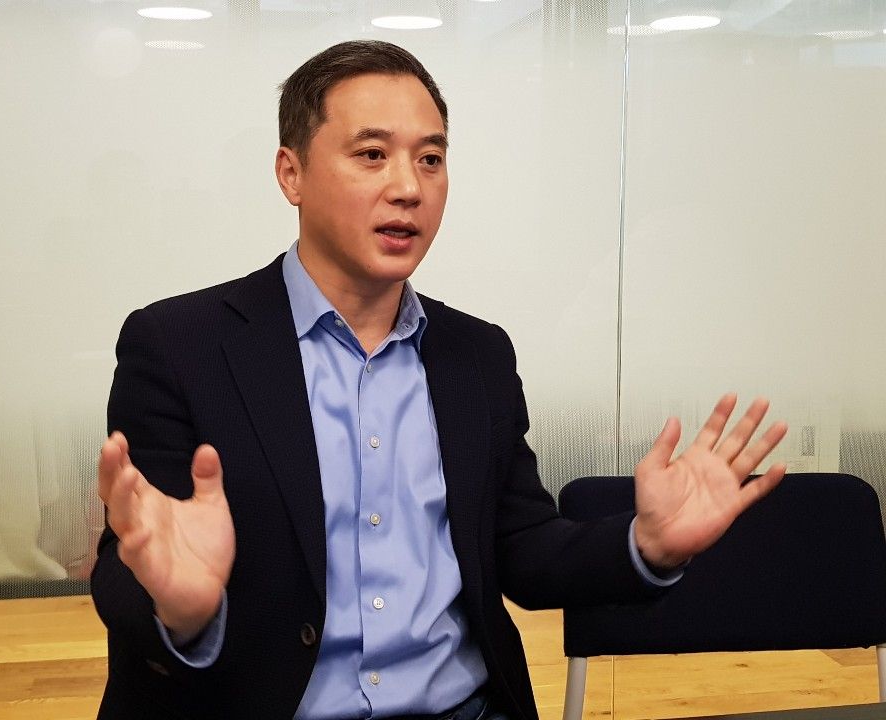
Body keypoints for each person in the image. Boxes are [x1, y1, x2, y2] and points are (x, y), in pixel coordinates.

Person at [91, 40, 788, 720]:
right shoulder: (179, 345)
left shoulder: (476, 354)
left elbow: (523, 548)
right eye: (372, 154)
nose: (408, 187)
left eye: (431, 158)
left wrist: (646, 545)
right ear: (291, 173)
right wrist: (182, 611)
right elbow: (137, 559)